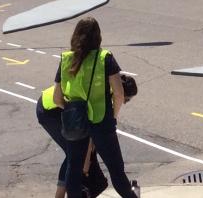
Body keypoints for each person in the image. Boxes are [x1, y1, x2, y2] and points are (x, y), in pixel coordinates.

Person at [53, 17, 140, 198]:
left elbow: (57, 98)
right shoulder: (104, 58)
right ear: (98, 37)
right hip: (102, 121)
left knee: (74, 170)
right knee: (116, 171)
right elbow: (118, 93)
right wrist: (113, 115)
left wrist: (73, 110)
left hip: (77, 121)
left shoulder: (66, 59)